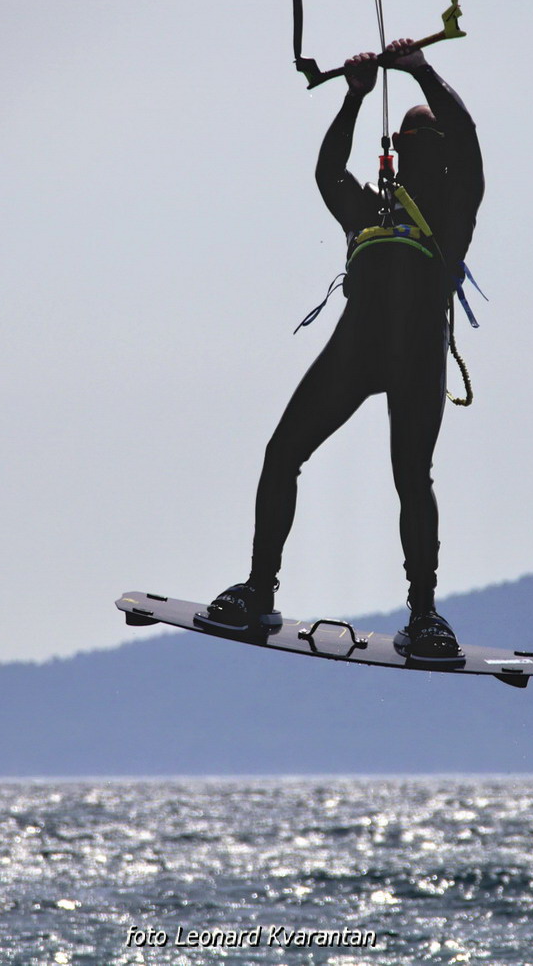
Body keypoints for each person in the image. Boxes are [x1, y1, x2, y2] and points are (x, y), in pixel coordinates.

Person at [205, 38, 484, 660]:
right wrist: (354, 98)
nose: (417, 143)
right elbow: (327, 173)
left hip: (415, 355)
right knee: (282, 453)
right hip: (356, 349)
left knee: (412, 476)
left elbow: (464, 138)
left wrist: (420, 72)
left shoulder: (453, 214)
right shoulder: (369, 209)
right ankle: (258, 588)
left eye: (423, 136)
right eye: (412, 136)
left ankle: (425, 614)